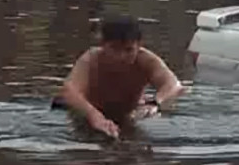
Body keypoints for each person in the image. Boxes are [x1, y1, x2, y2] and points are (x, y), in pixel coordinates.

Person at [54, 16, 185, 139]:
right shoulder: (90, 59)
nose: (121, 56)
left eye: (129, 50)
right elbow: (70, 91)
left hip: (125, 116)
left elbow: (174, 85)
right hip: (87, 115)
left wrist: (155, 103)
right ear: (103, 45)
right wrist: (94, 115)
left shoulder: (146, 60)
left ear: (138, 46)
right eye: (115, 49)